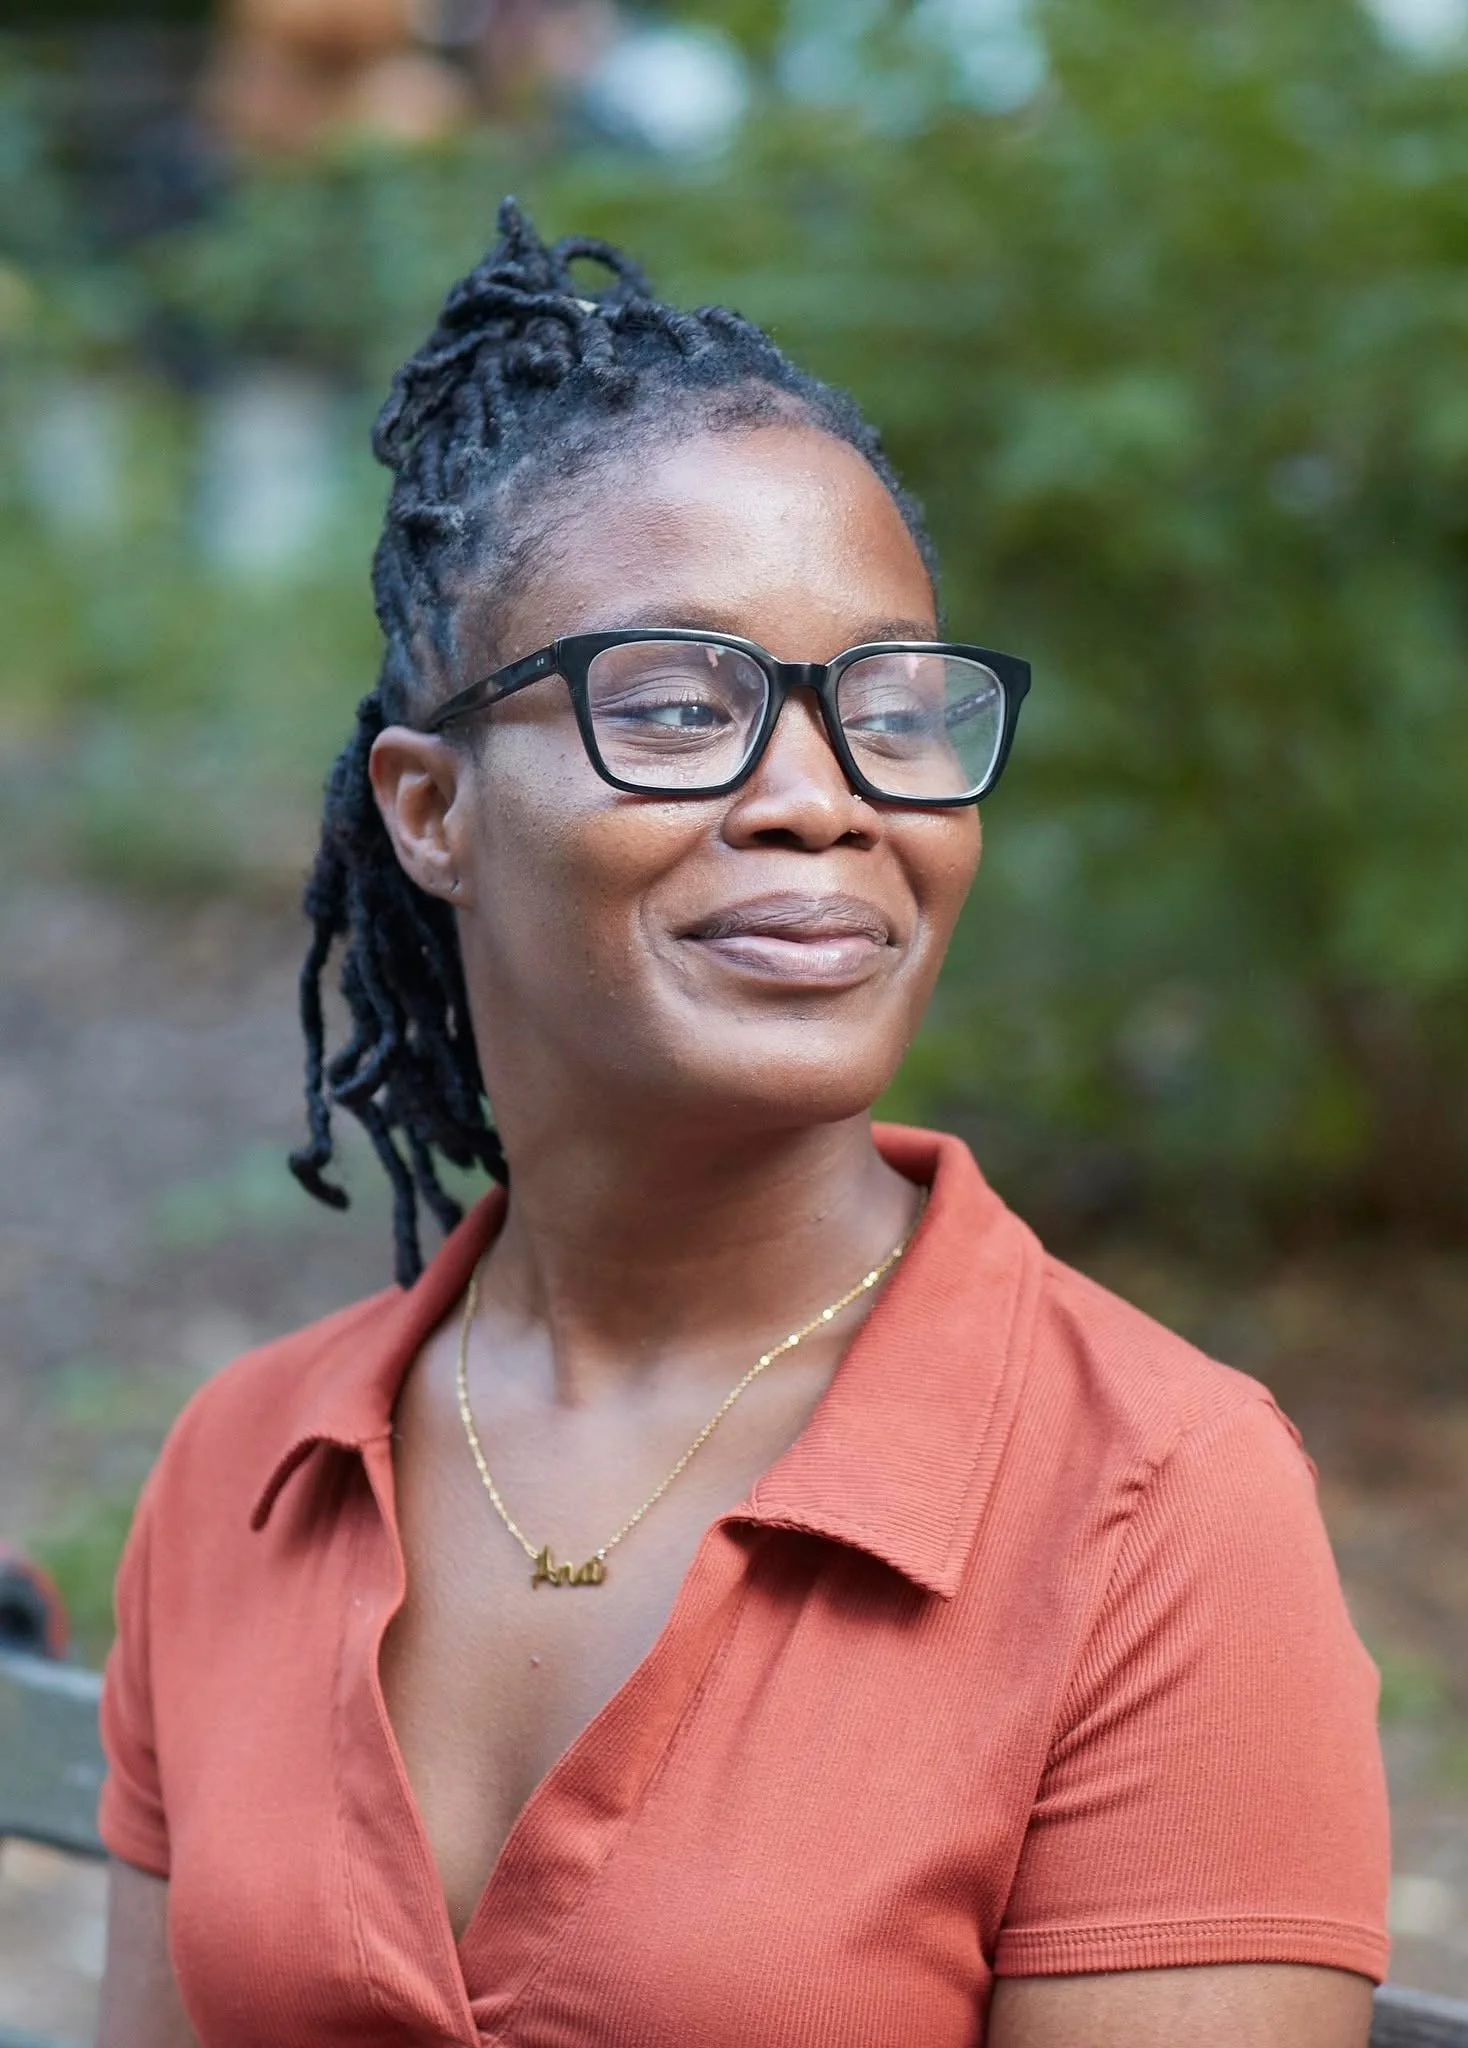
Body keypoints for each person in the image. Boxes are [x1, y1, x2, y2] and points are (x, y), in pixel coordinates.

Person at [94, 203, 1389, 2048]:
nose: (822, 799)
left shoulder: (1150, 1506)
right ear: (431, 808)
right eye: (683, 704)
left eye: (891, 708)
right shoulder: (250, 1470)